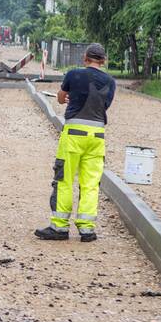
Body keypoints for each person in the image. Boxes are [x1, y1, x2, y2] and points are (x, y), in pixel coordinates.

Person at [35, 43, 116, 243]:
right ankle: (87, 230)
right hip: (97, 136)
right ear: (103, 61)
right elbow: (103, 104)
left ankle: (60, 227)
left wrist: (69, 98)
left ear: (85, 58)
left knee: (64, 179)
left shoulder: (74, 74)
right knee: (90, 184)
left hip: (74, 135)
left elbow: (62, 98)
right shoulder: (111, 81)